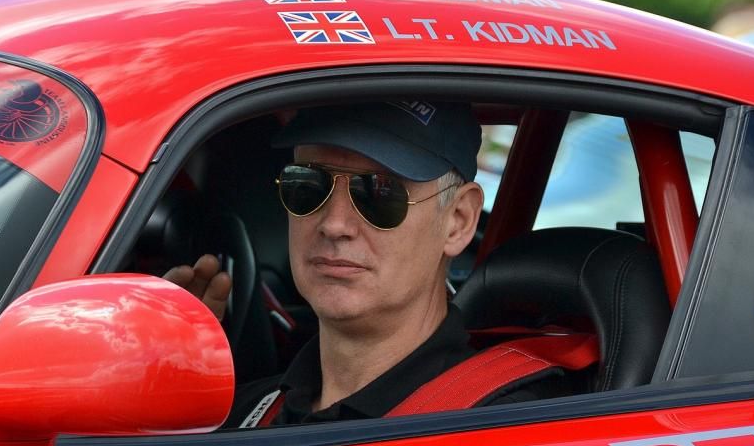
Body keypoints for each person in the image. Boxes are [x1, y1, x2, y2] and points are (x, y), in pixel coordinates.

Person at [166, 101, 574, 427]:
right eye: (307, 185)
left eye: (380, 193)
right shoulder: (249, 413)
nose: (335, 224)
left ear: (458, 221)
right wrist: (164, 381)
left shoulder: (503, 433)